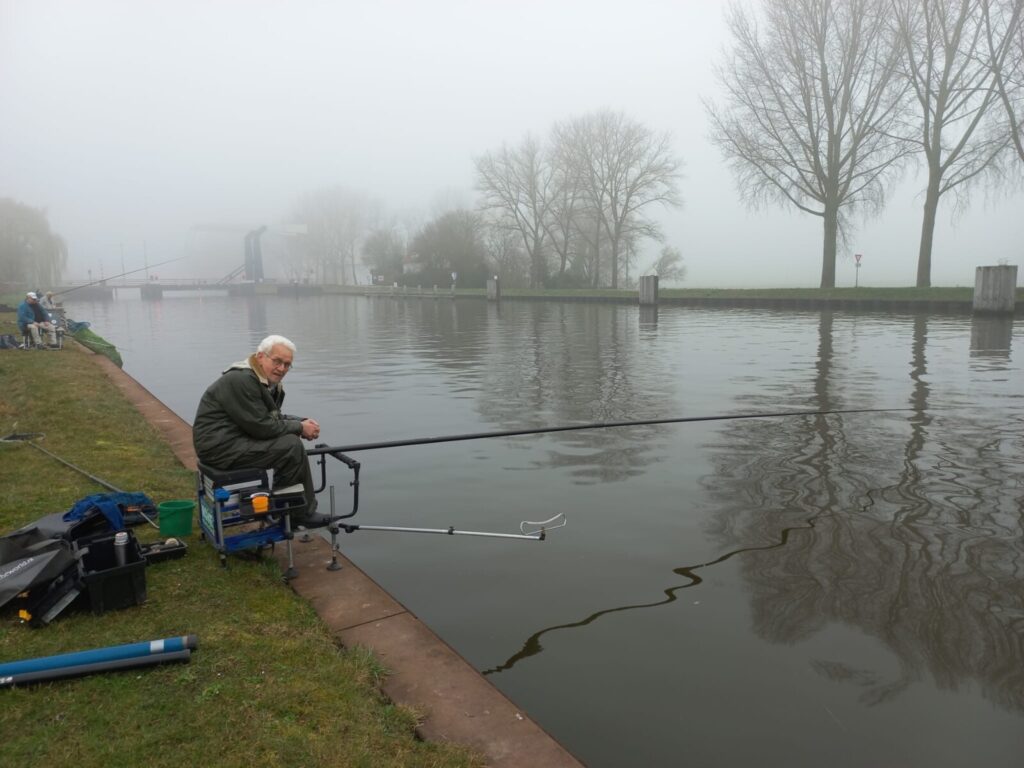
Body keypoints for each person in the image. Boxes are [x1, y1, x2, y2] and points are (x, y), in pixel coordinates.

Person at [192, 334, 329, 527]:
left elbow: (269, 417)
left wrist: (301, 422)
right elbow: (262, 427)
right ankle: (297, 513)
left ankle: (288, 507)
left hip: (231, 440)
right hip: (219, 448)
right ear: (260, 357)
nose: (282, 368)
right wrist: (299, 428)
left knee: (289, 442)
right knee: (291, 447)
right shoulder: (242, 380)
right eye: (277, 361)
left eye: (287, 365)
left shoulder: (261, 380)